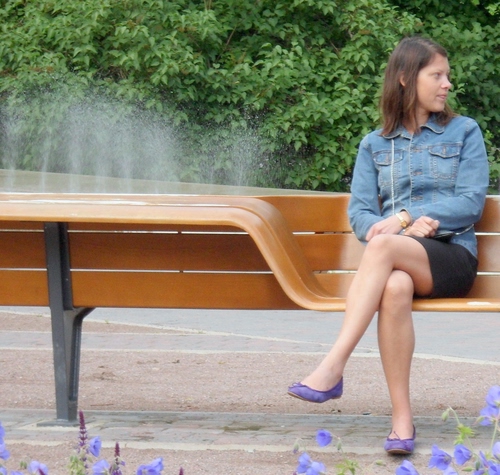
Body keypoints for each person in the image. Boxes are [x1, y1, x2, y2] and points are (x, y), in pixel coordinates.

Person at [287, 36, 489, 454]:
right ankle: (401, 422)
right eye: (437, 75)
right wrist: (399, 231)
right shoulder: (374, 144)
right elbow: (361, 214)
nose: (447, 84)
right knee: (394, 286)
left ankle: (334, 365)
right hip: (402, 261)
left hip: (452, 257)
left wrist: (404, 219)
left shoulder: (464, 131)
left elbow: (471, 203)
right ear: (405, 78)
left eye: (447, 75)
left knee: (381, 247)